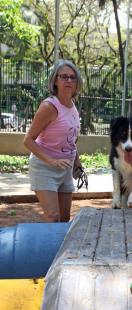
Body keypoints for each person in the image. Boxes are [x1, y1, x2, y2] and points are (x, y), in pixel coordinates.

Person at [24, 59, 82, 222]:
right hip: (44, 168)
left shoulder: (73, 105)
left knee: (64, 218)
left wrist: (76, 161)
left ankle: (61, 248)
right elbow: (28, 140)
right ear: (55, 80)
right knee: (53, 217)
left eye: (72, 77)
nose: (69, 80)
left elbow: (70, 139)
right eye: (64, 76)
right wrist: (51, 161)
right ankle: (48, 248)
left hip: (66, 168)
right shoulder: (49, 106)